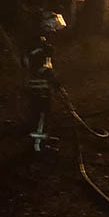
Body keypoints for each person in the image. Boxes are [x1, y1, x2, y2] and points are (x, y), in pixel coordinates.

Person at [21, 11, 66, 151]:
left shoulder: (39, 43)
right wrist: (53, 80)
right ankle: (38, 145)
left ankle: (41, 139)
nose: (55, 31)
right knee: (42, 113)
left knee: (41, 113)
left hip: (39, 84)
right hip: (39, 86)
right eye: (53, 27)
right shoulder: (39, 45)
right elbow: (40, 67)